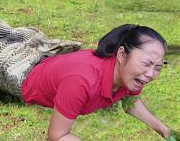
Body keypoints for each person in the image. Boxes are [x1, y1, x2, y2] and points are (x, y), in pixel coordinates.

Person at [20, 24, 178, 140]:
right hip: (21, 76)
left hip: (48, 64)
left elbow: (131, 101)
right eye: (146, 63)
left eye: (157, 67)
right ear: (122, 55)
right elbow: (57, 136)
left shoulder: (129, 76)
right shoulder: (82, 81)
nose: (151, 74)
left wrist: (164, 130)